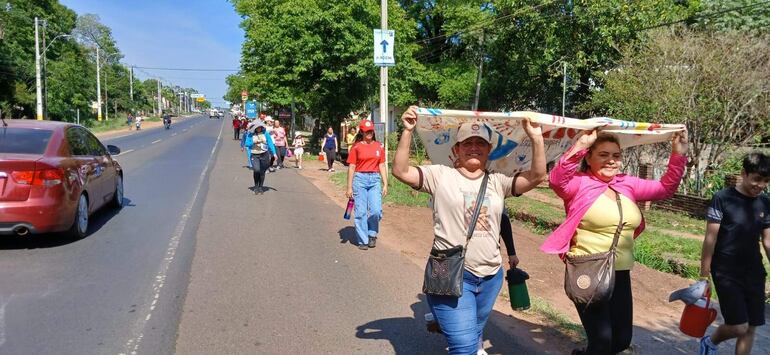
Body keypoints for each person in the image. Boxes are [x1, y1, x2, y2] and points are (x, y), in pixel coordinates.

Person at [392, 106, 546, 354]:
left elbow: (537, 176)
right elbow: (400, 171)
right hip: (451, 271)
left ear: (489, 150)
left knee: (474, 334)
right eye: (467, 142)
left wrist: (536, 137)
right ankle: (449, 326)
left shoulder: (498, 182)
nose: (474, 147)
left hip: (490, 277)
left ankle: (448, 325)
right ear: (456, 149)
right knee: (465, 347)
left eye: (480, 143)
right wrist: (408, 131)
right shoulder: (440, 176)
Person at [541, 130, 688, 355]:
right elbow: (557, 180)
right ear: (588, 158)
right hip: (587, 270)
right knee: (601, 342)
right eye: (603, 155)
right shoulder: (579, 184)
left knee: (621, 340)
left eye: (616, 155)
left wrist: (678, 153)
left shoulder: (626, 184)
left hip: (620, 273)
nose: (611, 160)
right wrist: (580, 144)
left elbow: (666, 187)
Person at [698, 152, 770, 355]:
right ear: (743, 173)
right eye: (756, 179)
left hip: (754, 271)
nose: (760, 185)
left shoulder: (765, 203)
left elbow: (767, 240)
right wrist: (704, 275)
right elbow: (710, 239)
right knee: (739, 326)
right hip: (726, 271)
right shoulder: (723, 198)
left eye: (765, 181)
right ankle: (710, 342)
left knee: (752, 326)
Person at [345, 120, 388, 250]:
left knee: (376, 211)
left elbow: (381, 165)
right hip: (360, 179)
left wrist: (385, 183)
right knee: (361, 212)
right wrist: (349, 187)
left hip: (375, 180)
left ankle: (372, 233)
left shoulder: (379, 146)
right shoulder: (356, 147)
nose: (369, 133)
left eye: (371, 131)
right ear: (362, 132)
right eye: (366, 131)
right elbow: (352, 167)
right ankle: (363, 240)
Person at [249, 122, 277, 195]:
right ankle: (256, 186)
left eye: (260, 127)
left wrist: (274, 153)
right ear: (254, 128)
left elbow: (270, 143)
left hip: (264, 154)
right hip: (255, 155)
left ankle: (260, 187)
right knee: (256, 170)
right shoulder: (250, 134)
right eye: (257, 127)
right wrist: (254, 142)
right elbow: (247, 143)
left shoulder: (265, 133)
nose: (259, 128)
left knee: (262, 171)